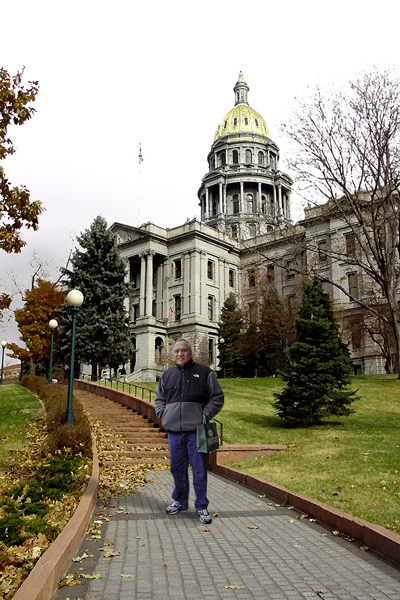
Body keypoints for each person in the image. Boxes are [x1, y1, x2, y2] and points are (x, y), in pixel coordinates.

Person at [155, 338, 224, 524]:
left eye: (183, 350)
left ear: (190, 352)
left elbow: (217, 398)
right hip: (174, 433)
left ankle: (201, 506)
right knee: (177, 469)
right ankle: (180, 500)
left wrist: (204, 415)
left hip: (197, 432)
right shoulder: (167, 375)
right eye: (177, 351)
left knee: (200, 470)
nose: (180, 354)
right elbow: (159, 398)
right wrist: (163, 413)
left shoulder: (204, 373)